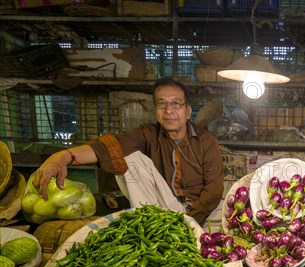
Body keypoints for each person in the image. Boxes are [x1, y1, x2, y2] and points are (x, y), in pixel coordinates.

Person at [33, 77, 224, 226]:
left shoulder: (205, 141)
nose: (169, 110)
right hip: (162, 208)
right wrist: (64, 156)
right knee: (130, 157)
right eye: (162, 104)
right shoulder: (148, 134)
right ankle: (151, 224)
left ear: (188, 111)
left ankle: (170, 226)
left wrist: (189, 222)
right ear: (155, 110)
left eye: (176, 104)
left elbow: (214, 190)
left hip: (197, 213)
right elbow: (109, 146)